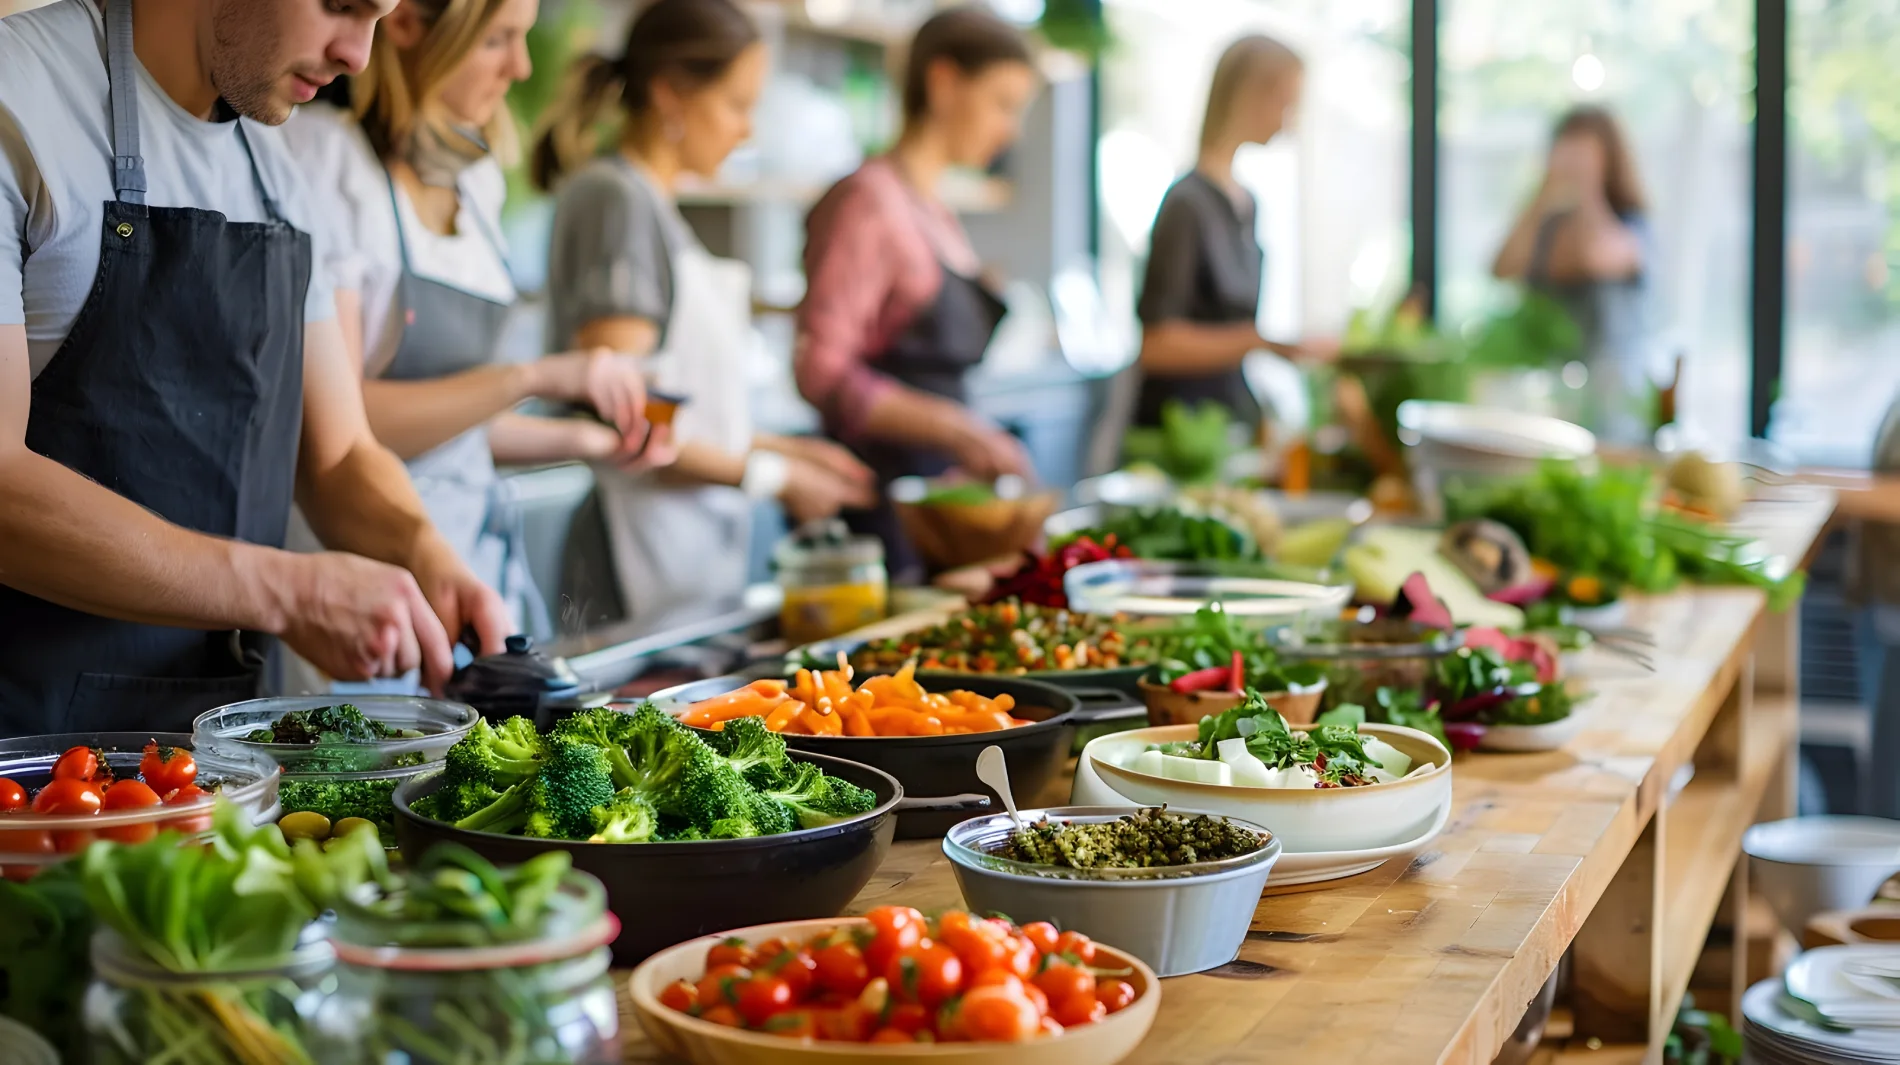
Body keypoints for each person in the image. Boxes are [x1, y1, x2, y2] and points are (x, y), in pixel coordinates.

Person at [0, 0, 512, 737]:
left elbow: (337, 456)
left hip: (225, 761)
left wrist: (424, 553)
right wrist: (285, 591)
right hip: (32, 764)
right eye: (341, 6)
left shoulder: (275, 163)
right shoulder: (21, 99)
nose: (359, 57)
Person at [281, 0, 662, 656]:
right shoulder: (326, 162)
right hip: (368, 576)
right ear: (404, 26)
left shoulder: (478, 184)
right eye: (498, 40)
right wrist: (535, 376)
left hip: (474, 566)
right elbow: (346, 421)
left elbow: (452, 425)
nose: (519, 66)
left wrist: (584, 440)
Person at [537, 0, 873, 627]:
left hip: (678, 556)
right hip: (627, 554)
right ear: (670, 94)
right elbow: (628, 415)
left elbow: (677, 407)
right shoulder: (618, 201)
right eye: (737, 105)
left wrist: (791, 453)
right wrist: (774, 475)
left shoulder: (651, 206)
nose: (746, 130)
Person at [794, 5, 1037, 581]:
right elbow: (821, 370)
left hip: (934, 511)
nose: (1012, 129)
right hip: (877, 520)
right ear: (944, 82)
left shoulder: (934, 210)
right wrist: (957, 430)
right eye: (1003, 104)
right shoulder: (867, 201)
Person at [1134, 34, 1329, 432]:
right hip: (1178, 429)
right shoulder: (1186, 204)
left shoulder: (1246, 203)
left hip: (1227, 419)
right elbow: (1155, 345)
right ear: (1251, 96)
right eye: (1285, 103)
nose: (1287, 121)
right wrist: (1261, 342)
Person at [1492, 105, 1652, 442]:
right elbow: (1501, 267)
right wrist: (1544, 192)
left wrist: (1586, 189)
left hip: (1614, 406)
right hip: (1551, 404)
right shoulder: (1545, 226)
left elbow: (1593, 257)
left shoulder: (1632, 226)